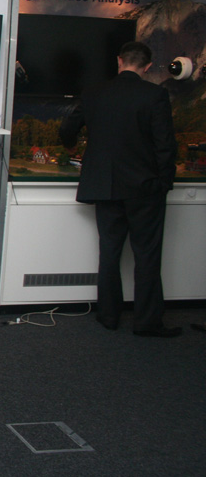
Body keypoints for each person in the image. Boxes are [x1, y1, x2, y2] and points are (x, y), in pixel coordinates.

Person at [60, 41, 180, 337]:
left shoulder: (94, 92)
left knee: (110, 253)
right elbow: (165, 145)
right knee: (147, 257)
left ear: (119, 61)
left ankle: (108, 316)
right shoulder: (155, 95)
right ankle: (147, 322)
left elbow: (67, 129)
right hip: (144, 188)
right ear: (147, 67)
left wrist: (71, 146)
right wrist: (164, 183)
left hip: (105, 186)